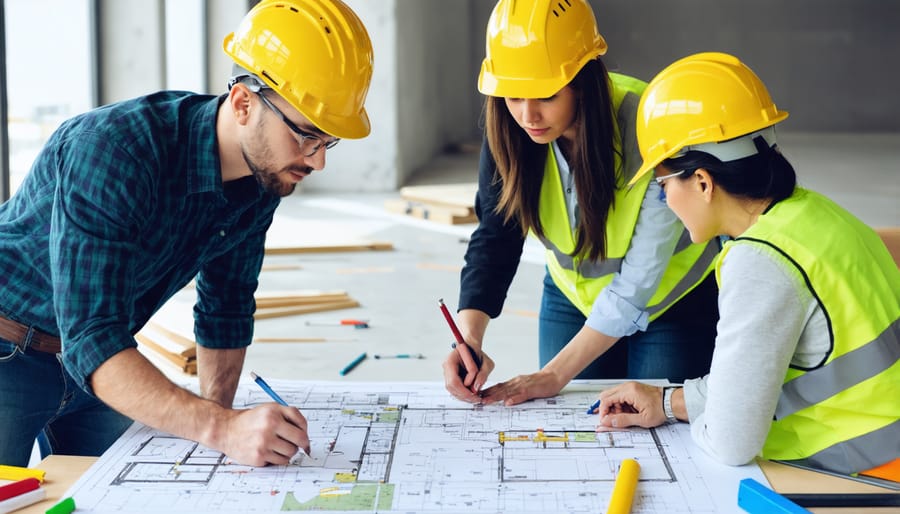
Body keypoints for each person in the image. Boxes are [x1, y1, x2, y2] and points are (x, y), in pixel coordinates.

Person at [0, 0, 373, 467]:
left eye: (327, 141)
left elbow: (226, 306)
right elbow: (93, 337)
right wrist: (222, 427)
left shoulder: (264, 180)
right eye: (305, 135)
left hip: (100, 360)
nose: (318, 160)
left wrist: (221, 421)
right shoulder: (115, 151)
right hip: (10, 349)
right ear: (243, 103)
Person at [595, 52, 900, 479]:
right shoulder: (814, 214)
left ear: (702, 181)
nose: (665, 201)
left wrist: (711, 418)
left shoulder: (761, 261)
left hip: (861, 477)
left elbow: (731, 441)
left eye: (662, 185)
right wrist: (668, 403)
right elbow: (752, 382)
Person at [442, 0, 721, 406]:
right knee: (575, 422)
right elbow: (495, 235)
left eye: (546, 96)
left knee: (657, 427)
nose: (527, 115)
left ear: (582, 80)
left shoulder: (648, 125)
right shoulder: (511, 129)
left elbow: (636, 284)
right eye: (513, 96)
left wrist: (553, 374)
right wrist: (469, 336)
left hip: (671, 301)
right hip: (572, 296)